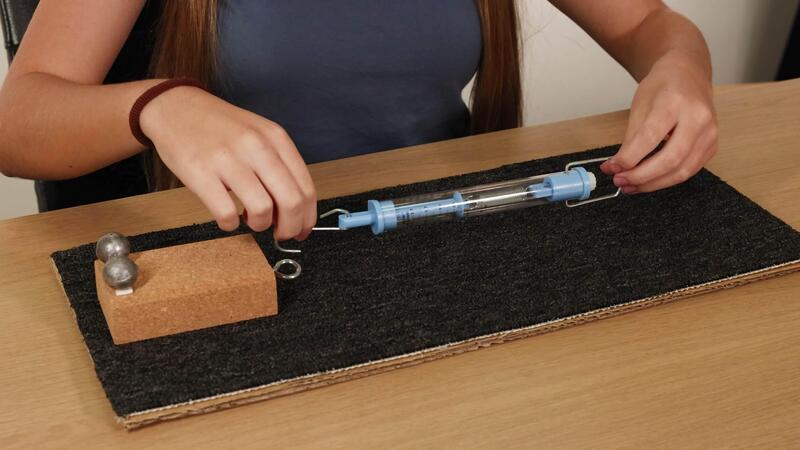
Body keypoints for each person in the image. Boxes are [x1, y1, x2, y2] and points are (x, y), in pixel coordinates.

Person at [0, 0, 717, 241]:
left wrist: (679, 69)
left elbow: (648, 24)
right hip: (244, 260)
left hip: (441, 242)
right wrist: (157, 106)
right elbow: (19, 121)